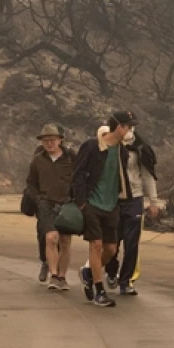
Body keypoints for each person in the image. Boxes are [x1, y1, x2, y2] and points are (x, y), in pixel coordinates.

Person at [72, 111, 137, 308]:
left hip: (112, 205)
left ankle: (89, 273)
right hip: (92, 204)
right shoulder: (92, 146)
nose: (130, 131)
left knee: (111, 248)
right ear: (119, 127)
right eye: (128, 126)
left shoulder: (122, 152)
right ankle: (99, 290)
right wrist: (82, 202)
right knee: (96, 245)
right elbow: (78, 173)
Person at [103, 127, 160, 296]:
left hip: (135, 199)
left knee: (132, 242)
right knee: (112, 240)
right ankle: (111, 272)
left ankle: (126, 281)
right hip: (113, 200)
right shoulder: (109, 147)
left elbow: (148, 175)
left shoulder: (140, 150)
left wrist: (153, 201)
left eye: (130, 127)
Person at [26, 124, 75, 291]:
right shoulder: (38, 160)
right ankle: (53, 276)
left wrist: (76, 200)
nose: (49, 143)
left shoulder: (71, 158)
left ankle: (62, 276)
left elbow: (81, 179)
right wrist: (38, 200)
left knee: (65, 241)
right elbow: (31, 184)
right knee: (51, 238)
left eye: (52, 140)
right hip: (46, 204)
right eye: (46, 140)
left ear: (60, 140)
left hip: (67, 205)